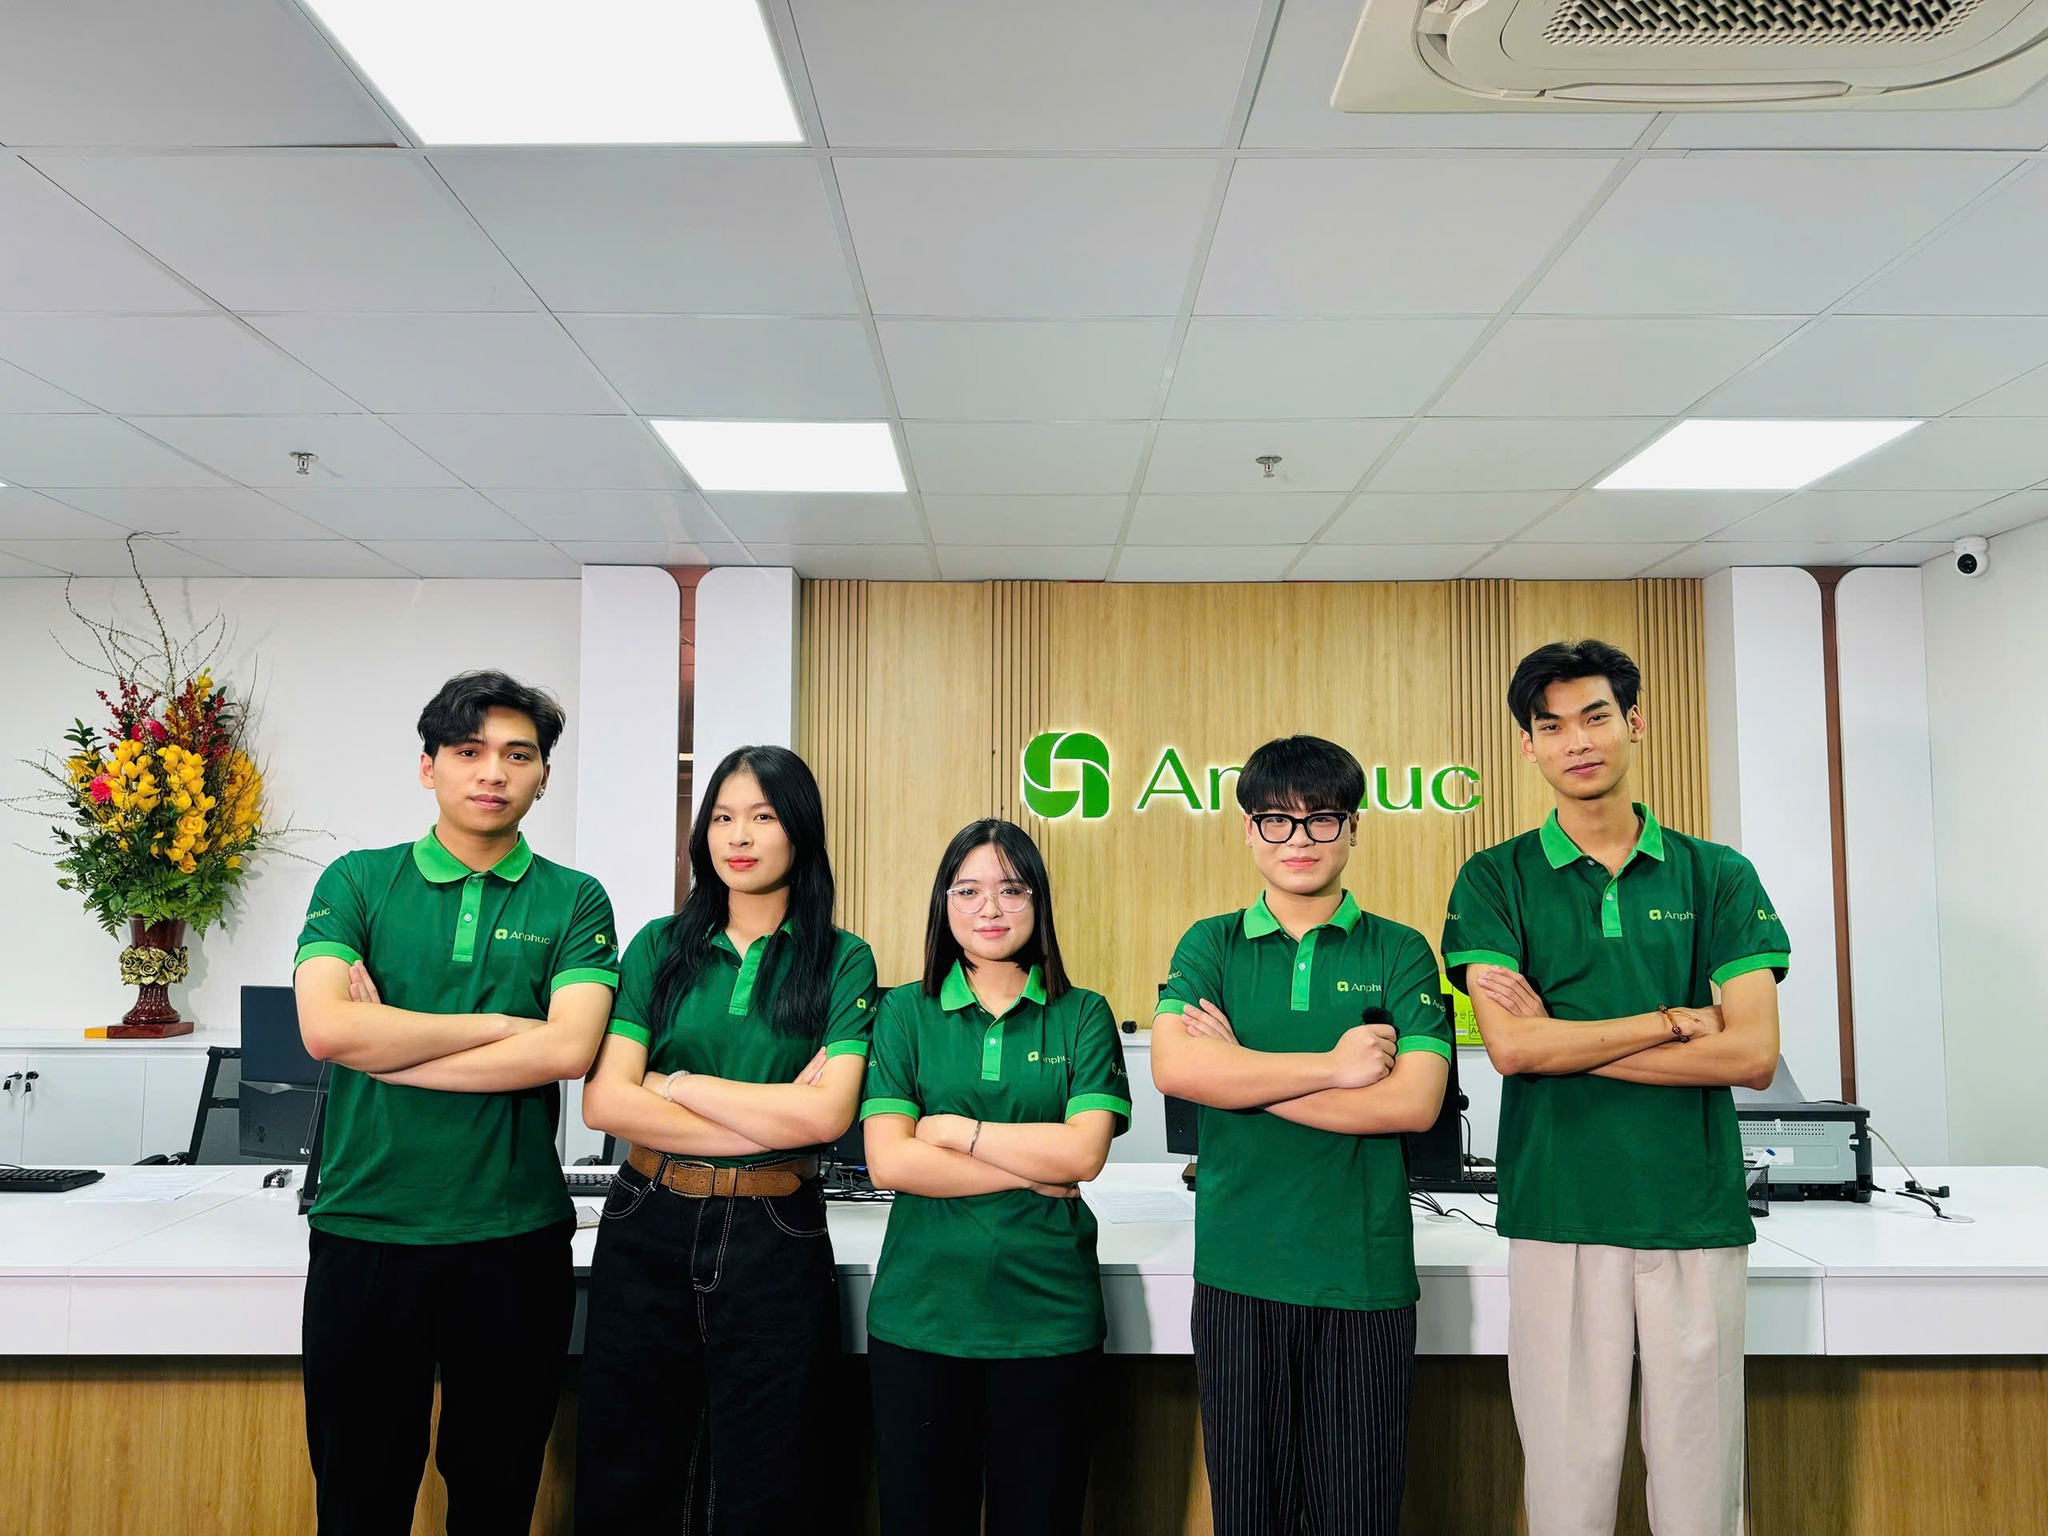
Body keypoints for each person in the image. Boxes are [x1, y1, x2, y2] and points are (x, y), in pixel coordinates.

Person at [1442, 639, 1789, 1536]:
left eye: (1595, 717)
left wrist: (1563, 1040)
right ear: (1528, 746)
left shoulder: (1717, 874)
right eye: (1552, 726)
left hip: (1691, 1211)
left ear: (1634, 723)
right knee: (1567, 1488)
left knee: (1702, 1489)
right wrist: (1673, 1019)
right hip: (1558, 1208)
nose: (1578, 741)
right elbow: (1511, 1049)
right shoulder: (1495, 877)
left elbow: (1753, 1053)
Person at [292, 670, 618, 1535]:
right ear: (428, 765)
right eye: (469, 751)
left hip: (514, 1239)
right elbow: (327, 1029)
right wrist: (500, 1027)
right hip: (366, 1229)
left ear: (543, 776)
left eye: (518, 755)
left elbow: (568, 1051)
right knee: (358, 1498)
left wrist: (392, 1051)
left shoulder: (574, 898)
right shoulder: (358, 881)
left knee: (495, 1498)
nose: (493, 772)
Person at [1149, 734, 1452, 1536]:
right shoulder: (1210, 944)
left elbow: (1414, 1104)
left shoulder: (1400, 950)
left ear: (1353, 828)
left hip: (1362, 1276)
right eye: (1276, 821)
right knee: (1250, 1514)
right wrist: (1334, 1068)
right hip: (1239, 1270)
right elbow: (1177, 1070)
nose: (1300, 840)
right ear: (1249, 830)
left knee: (1358, 1514)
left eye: (1322, 819)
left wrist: (1241, 1074)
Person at [576, 744, 877, 1535]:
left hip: (775, 1232)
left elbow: (827, 1119)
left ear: (800, 831)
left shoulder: (842, 959)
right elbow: (605, 1102)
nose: (738, 836)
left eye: (763, 816)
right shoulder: (658, 946)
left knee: (771, 1473)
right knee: (628, 1462)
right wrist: (772, 1110)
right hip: (648, 1214)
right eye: (722, 817)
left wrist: (675, 1083)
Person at [860, 818, 1130, 1536]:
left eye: (1012, 890)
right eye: (968, 890)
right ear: (943, 903)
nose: (990, 909)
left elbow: (1084, 1156)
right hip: (921, 1316)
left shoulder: (1083, 1014)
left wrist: (957, 1132)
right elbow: (891, 1162)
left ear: (1038, 901)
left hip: (1048, 1320)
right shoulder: (903, 1012)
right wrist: (1031, 1170)